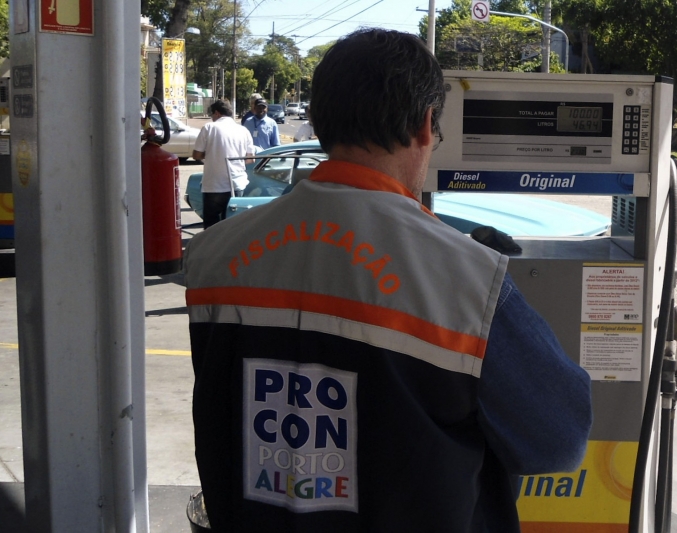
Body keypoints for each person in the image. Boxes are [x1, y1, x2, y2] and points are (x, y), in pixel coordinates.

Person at [184, 29, 591, 532]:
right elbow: (560, 440)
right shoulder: (471, 282)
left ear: (317, 119)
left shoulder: (213, 256)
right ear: (425, 126)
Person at [192, 100, 255, 229]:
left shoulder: (209, 128)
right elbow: (250, 159)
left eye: (212, 115)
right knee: (234, 226)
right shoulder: (243, 130)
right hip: (237, 184)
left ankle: (213, 249)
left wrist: (211, 155)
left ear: (217, 113)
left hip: (214, 185)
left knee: (212, 226)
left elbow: (196, 155)